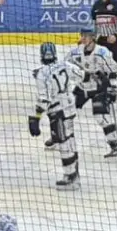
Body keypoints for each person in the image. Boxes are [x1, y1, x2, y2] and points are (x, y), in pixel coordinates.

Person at [67, 27, 117, 175]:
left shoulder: (103, 53)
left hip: (99, 89)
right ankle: (59, 137)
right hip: (82, 88)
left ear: (93, 38)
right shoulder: (75, 52)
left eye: (86, 36)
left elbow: (115, 70)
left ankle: (115, 145)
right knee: (66, 110)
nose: (83, 38)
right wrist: (82, 76)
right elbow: (66, 68)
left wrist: (112, 86)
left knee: (100, 116)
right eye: (82, 35)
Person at [29, 42, 84, 189]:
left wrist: (36, 117)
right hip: (70, 108)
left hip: (57, 111)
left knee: (63, 143)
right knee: (70, 139)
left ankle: (70, 177)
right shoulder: (65, 65)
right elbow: (81, 75)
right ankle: (75, 173)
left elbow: (44, 98)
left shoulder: (42, 74)